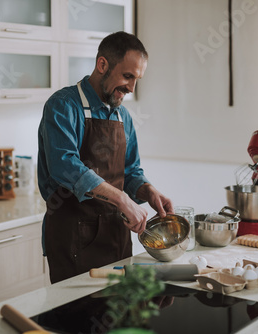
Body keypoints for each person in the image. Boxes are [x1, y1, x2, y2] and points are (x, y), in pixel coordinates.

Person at [37, 31, 173, 284]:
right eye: (127, 76)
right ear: (103, 65)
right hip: (72, 238)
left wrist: (147, 191)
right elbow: (64, 166)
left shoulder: (124, 117)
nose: (131, 88)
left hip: (116, 236)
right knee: (75, 318)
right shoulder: (63, 106)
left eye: (137, 79)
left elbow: (130, 171)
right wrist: (121, 199)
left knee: (119, 317)